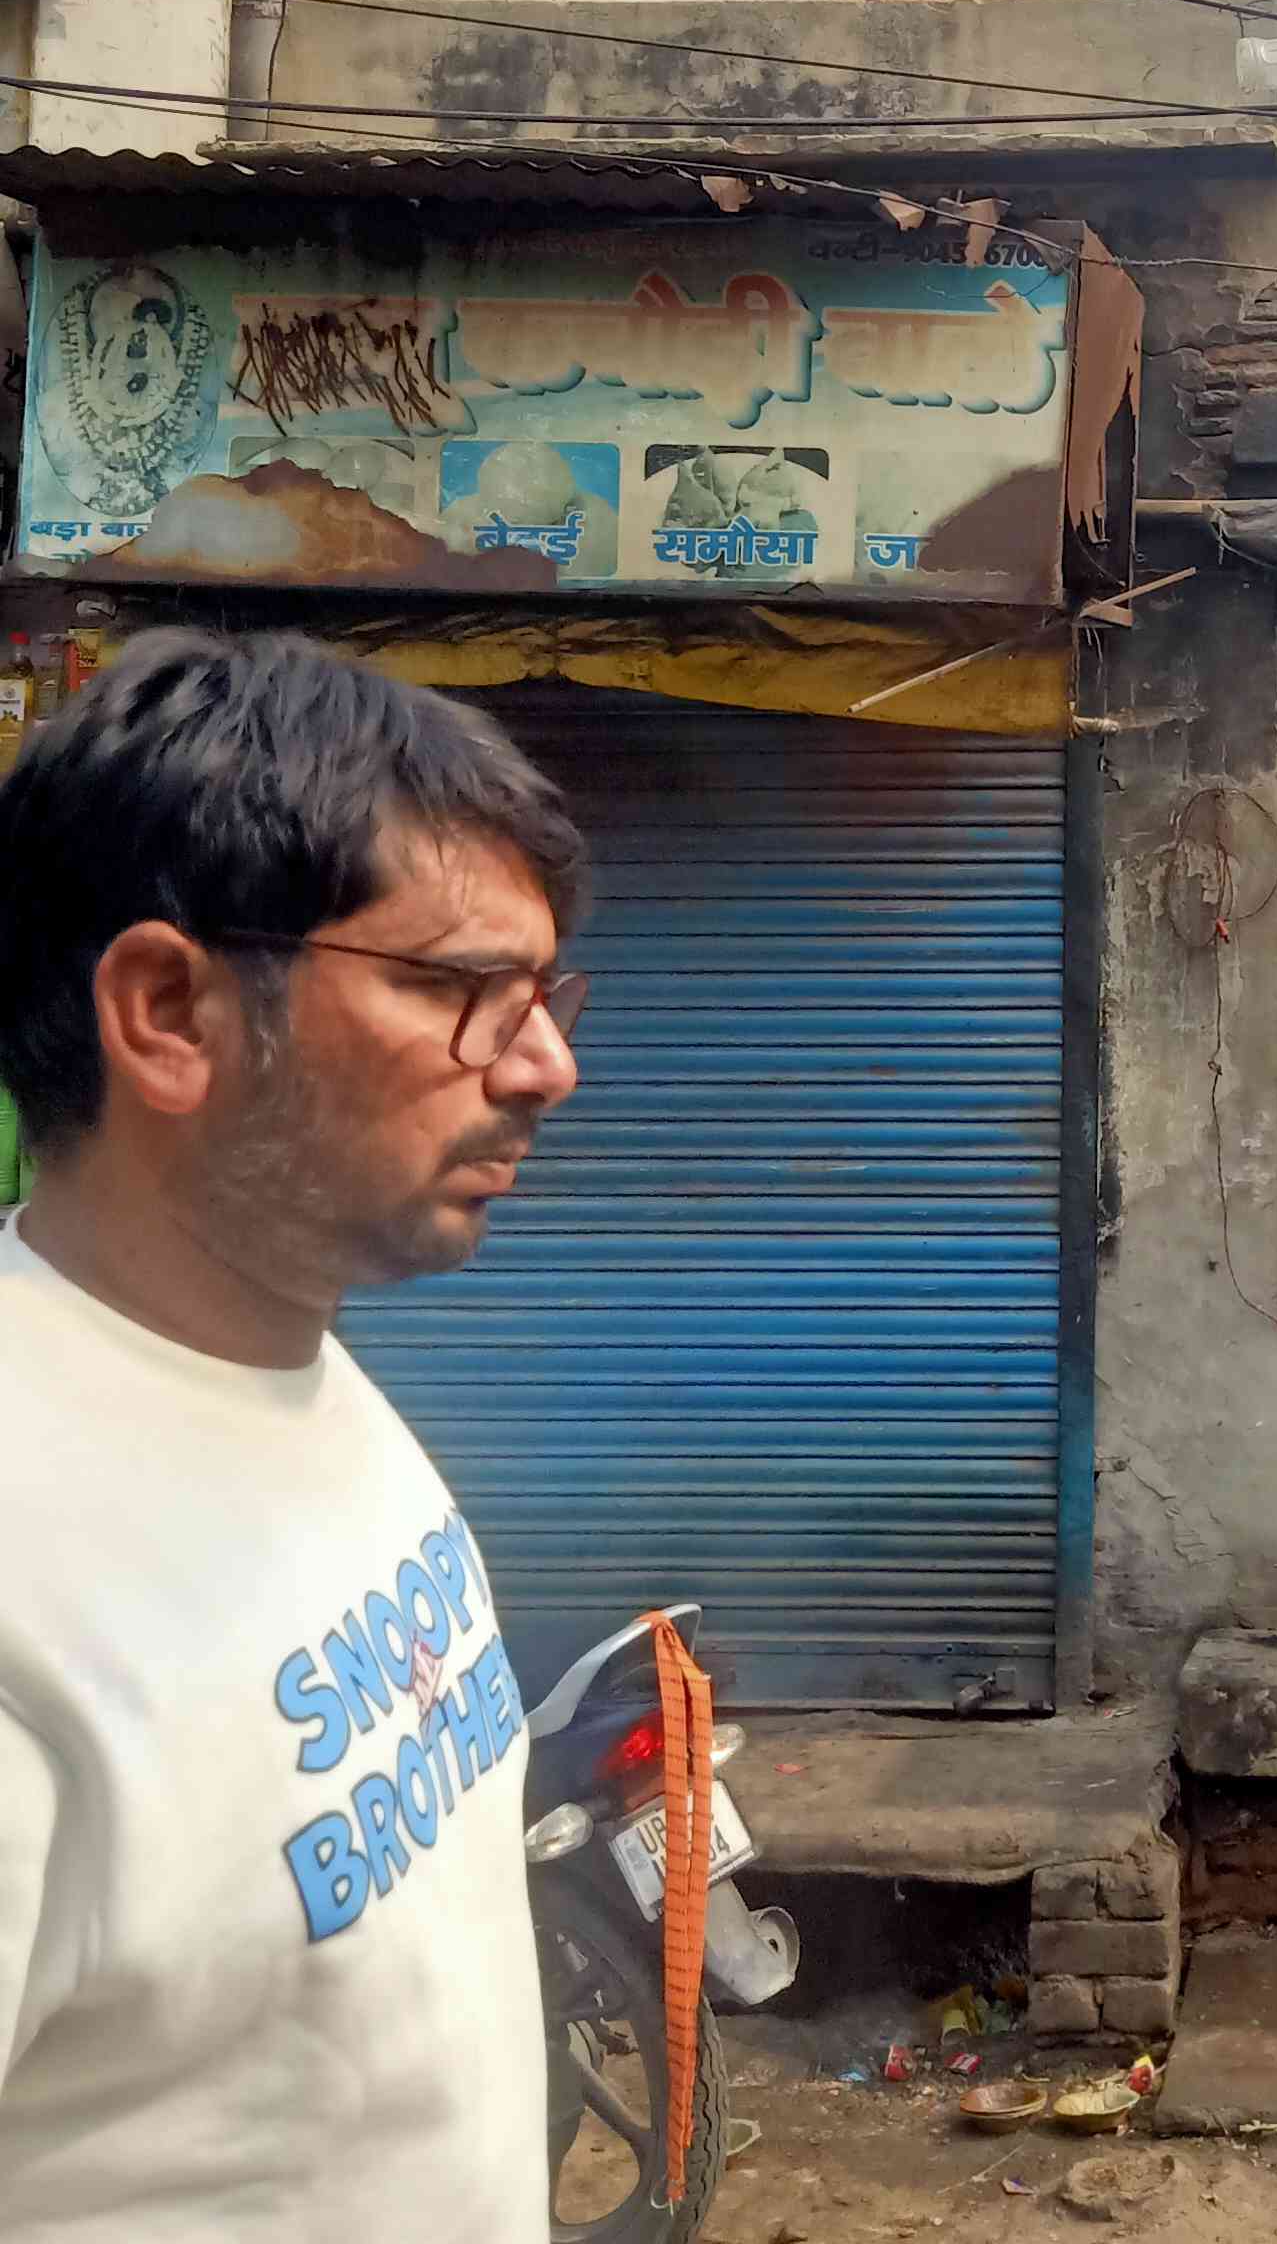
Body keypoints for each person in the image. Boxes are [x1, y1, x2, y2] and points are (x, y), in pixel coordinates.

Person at [0, 628, 591, 2238]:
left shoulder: (289, 1371)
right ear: (169, 1012)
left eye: (543, 995)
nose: (548, 1066)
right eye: (459, 989)